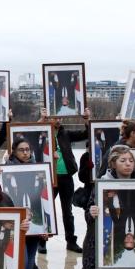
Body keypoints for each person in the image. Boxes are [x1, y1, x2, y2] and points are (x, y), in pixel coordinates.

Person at [2, 137, 48, 269]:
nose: (26, 153)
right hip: (16, 225)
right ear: (13, 151)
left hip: (34, 225)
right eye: (22, 150)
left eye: (28, 149)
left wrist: (46, 226)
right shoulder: (6, 170)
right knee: (20, 264)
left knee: (29, 265)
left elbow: (44, 199)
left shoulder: (38, 170)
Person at [39, 107, 87, 254]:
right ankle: (42, 242)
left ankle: (71, 241)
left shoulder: (65, 133)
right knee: (45, 209)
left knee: (68, 211)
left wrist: (86, 119)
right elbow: (30, 133)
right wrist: (41, 119)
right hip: (48, 178)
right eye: (55, 117)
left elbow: (86, 134)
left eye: (60, 118)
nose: (59, 120)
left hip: (66, 177)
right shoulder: (42, 132)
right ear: (49, 118)